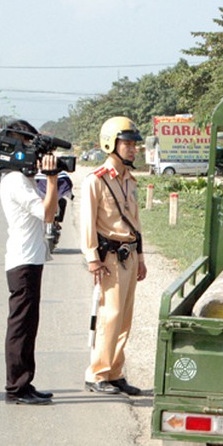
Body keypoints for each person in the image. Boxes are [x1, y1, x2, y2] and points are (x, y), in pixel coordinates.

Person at [80, 116, 147, 396]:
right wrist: (93, 259)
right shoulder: (96, 181)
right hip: (108, 257)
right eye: (127, 144)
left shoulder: (130, 180)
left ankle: (115, 372)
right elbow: (88, 222)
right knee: (111, 314)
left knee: (125, 317)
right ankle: (97, 373)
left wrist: (141, 257)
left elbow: (136, 221)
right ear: (111, 143)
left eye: (134, 144)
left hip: (129, 254)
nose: (133, 149)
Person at [0, 120, 59, 405]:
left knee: (28, 324)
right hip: (23, 262)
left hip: (30, 260)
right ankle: (16, 388)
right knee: (21, 326)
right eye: (26, 144)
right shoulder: (14, 181)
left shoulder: (22, 179)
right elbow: (48, 214)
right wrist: (51, 179)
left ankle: (25, 383)